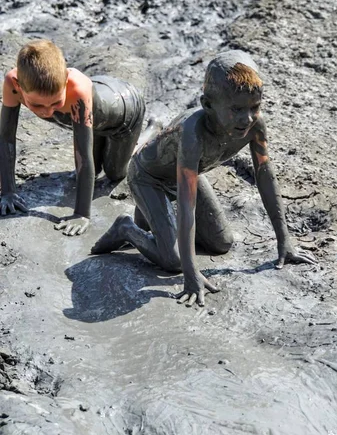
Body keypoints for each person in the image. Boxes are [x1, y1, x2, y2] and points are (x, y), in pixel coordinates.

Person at [91, 50, 316, 305]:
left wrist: (285, 241)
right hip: (148, 177)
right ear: (208, 105)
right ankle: (127, 228)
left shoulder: (255, 126)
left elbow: (265, 175)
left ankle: (155, 223)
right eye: (237, 109)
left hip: (188, 174)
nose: (248, 118)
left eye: (255, 107)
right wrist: (191, 272)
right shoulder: (193, 132)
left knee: (222, 243)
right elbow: (188, 204)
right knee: (173, 261)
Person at [0, 39, 160, 235]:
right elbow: (6, 137)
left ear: (66, 81)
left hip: (125, 112)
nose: (48, 112)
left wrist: (81, 214)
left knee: (115, 173)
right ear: (19, 86)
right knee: (94, 168)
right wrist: (8, 192)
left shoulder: (78, 91)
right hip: (96, 115)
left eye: (56, 103)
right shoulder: (12, 83)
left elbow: (83, 156)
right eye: (38, 106)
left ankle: (152, 130)